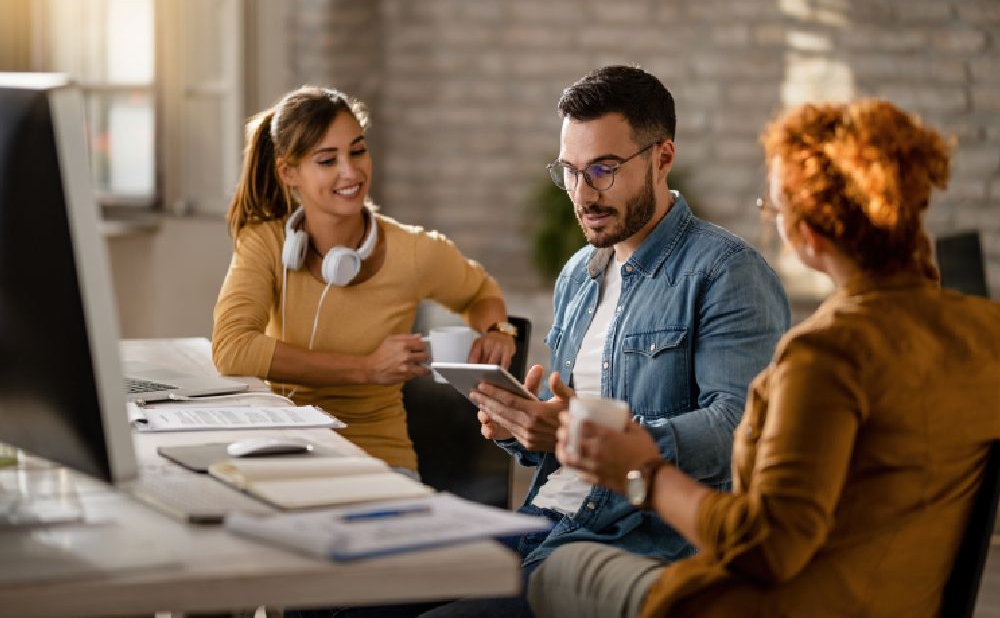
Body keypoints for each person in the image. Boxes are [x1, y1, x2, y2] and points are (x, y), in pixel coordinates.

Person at [528, 99, 1000, 618]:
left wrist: (642, 471)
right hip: (899, 597)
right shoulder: (984, 331)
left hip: (768, 605)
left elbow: (766, 547)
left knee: (555, 573)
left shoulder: (824, 355)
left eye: (773, 210)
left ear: (807, 235)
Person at [417, 65, 790, 618]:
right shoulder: (577, 274)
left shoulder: (725, 272)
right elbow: (566, 422)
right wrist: (524, 425)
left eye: (604, 169)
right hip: (537, 520)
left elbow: (741, 428)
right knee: (350, 595)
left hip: (628, 539)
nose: (583, 194)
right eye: (569, 171)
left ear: (663, 157)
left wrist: (588, 433)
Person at [212, 85, 516, 474]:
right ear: (289, 172)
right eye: (327, 160)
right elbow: (233, 349)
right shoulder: (266, 242)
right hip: (285, 448)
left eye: (357, 151)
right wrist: (365, 368)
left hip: (380, 458)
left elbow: (479, 292)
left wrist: (497, 329)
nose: (350, 172)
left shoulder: (416, 251)